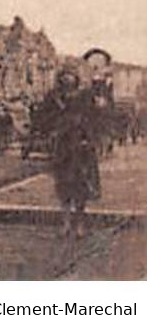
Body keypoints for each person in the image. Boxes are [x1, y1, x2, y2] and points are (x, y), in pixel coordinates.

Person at [50, 69, 101, 239]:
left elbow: (93, 119)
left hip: (81, 148)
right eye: (64, 76)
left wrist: (88, 138)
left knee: (81, 187)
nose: (67, 78)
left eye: (70, 75)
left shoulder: (84, 96)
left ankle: (78, 225)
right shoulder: (55, 98)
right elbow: (48, 119)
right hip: (63, 148)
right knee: (63, 187)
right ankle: (65, 224)